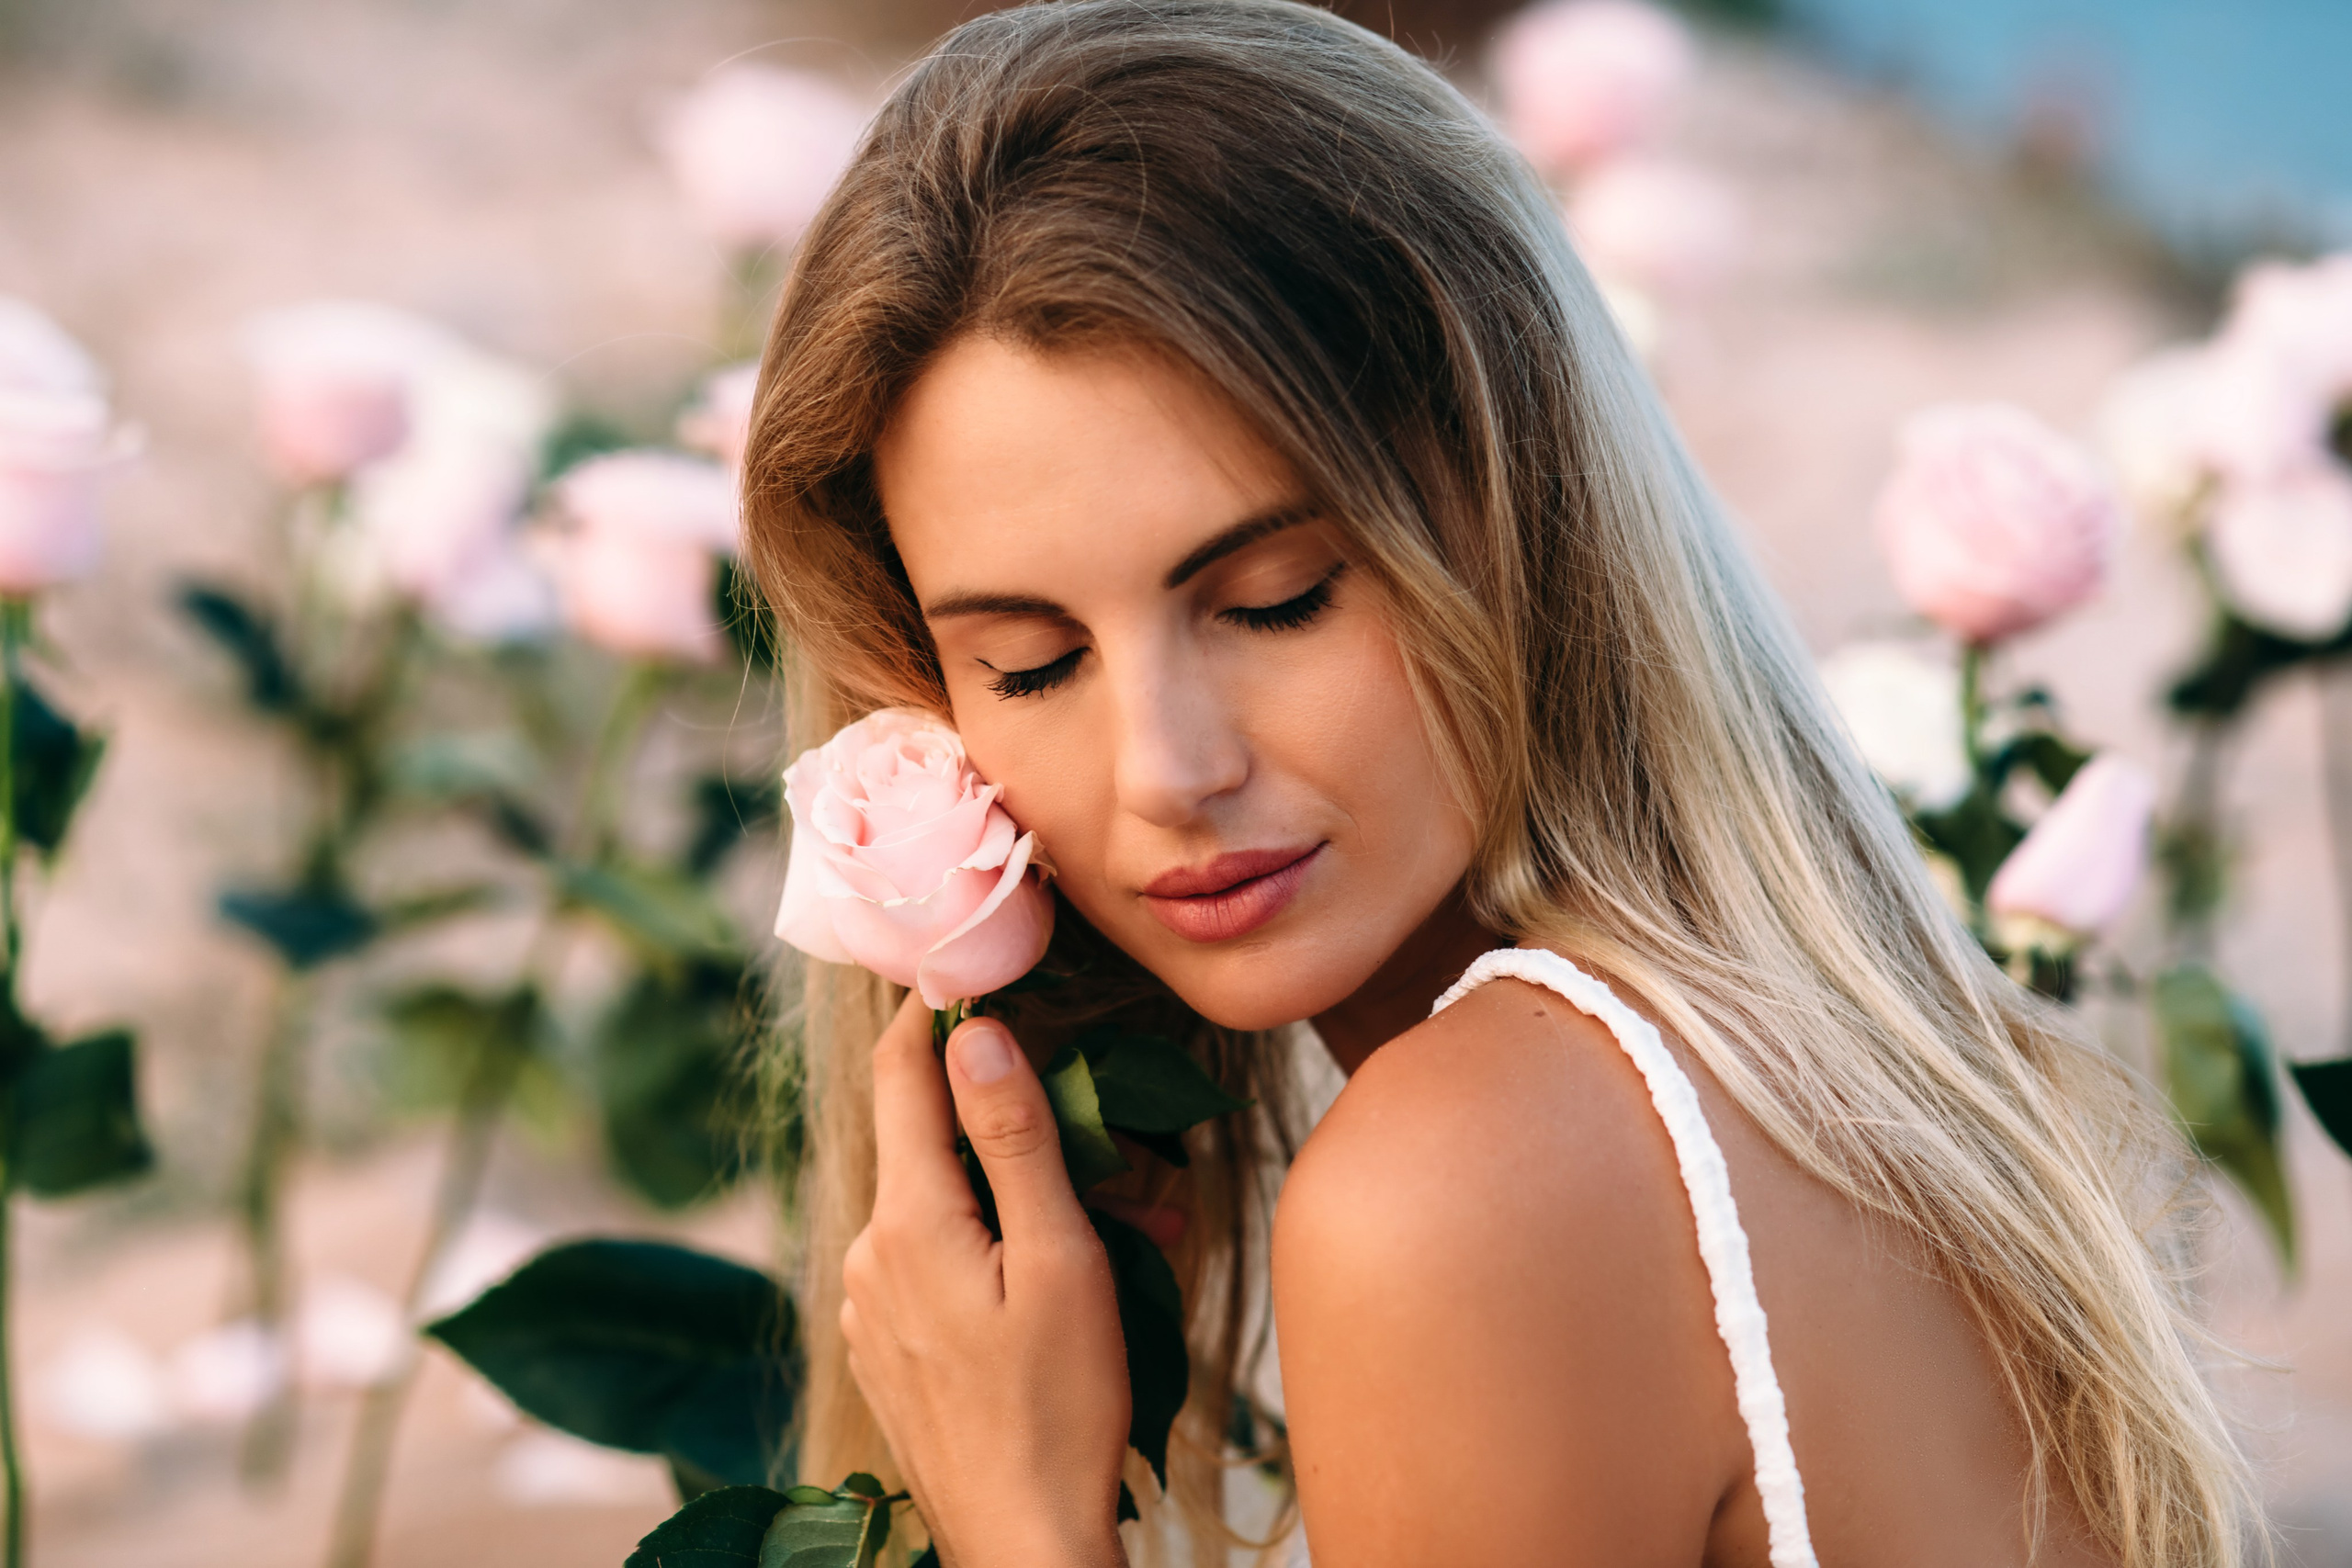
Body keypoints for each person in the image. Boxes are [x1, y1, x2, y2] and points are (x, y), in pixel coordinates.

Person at [739, 3, 2256, 1563]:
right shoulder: (1799, 1063)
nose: (1168, 772)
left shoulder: (1465, 1187)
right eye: (1032, 664)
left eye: (1275, 597)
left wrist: (1022, 1527)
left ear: (1523, 510)